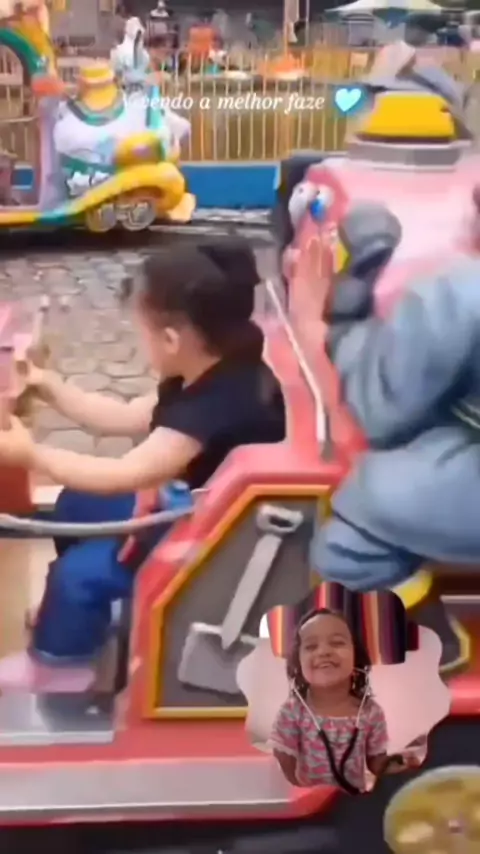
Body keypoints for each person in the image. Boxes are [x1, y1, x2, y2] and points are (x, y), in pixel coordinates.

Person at [0, 237, 286, 690]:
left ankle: (61, 666)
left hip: (212, 537)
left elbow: (125, 474)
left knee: (79, 576)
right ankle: (76, 619)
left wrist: (31, 455)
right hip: (192, 505)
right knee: (75, 502)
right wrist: (48, 385)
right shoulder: (208, 366)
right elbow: (125, 416)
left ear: (171, 340)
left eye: (143, 334)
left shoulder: (213, 408)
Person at [310, 207, 480, 674]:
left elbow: (380, 409)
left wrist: (348, 320)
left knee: (354, 537)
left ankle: (420, 639)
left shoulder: (455, 292)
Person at [270, 609, 412, 792]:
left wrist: (396, 764)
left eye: (337, 643)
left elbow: (376, 762)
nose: (324, 652)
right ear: (298, 663)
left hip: (351, 802)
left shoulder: (370, 712)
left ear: (356, 657)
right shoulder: (292, 712)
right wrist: (301, 794)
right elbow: (283, 762)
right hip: (311, 802)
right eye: (311, 647)